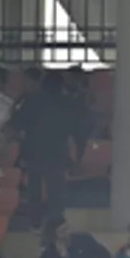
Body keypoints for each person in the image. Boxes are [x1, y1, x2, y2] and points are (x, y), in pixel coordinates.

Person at [17, 70, 77, 227]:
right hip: (57, 153)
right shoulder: (67, 103)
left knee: (34, 191)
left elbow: (19, 124)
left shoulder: (31, 101)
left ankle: (35, 223)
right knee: (56, 191)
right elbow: (75, 128)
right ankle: (55, 224)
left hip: (34, 152)